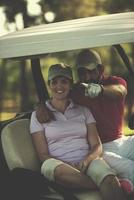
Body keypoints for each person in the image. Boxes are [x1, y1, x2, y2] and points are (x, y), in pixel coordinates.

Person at [36, 50, 134, 195]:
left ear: (101, 69)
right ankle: (124, 184)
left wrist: (100, 90)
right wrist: (40, 105)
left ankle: (126, 184)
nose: (87, 77)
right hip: (102, 148)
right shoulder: (77, 90)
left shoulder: (116, 82)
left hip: (122, 140)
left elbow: (119, 91)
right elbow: (57, 93)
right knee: (131, 168)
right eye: (82, 72)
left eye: (91, 71)